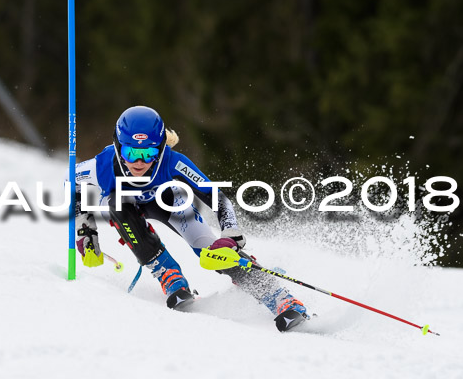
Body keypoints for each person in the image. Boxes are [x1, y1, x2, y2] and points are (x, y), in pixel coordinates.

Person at [74, 106, 308, 331]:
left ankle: (278, 296)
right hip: (123, 206)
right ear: (118, 146)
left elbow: (216, 197)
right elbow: (70, 184)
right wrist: (85, 232)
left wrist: (230, 235)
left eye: (149, 153)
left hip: (168, 202)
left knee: (212, 253)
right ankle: (167, 273)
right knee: (118, 203)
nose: (139, 162)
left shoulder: (174, 162)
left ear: (161, 147)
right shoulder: (101, 165)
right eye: (131, 152)